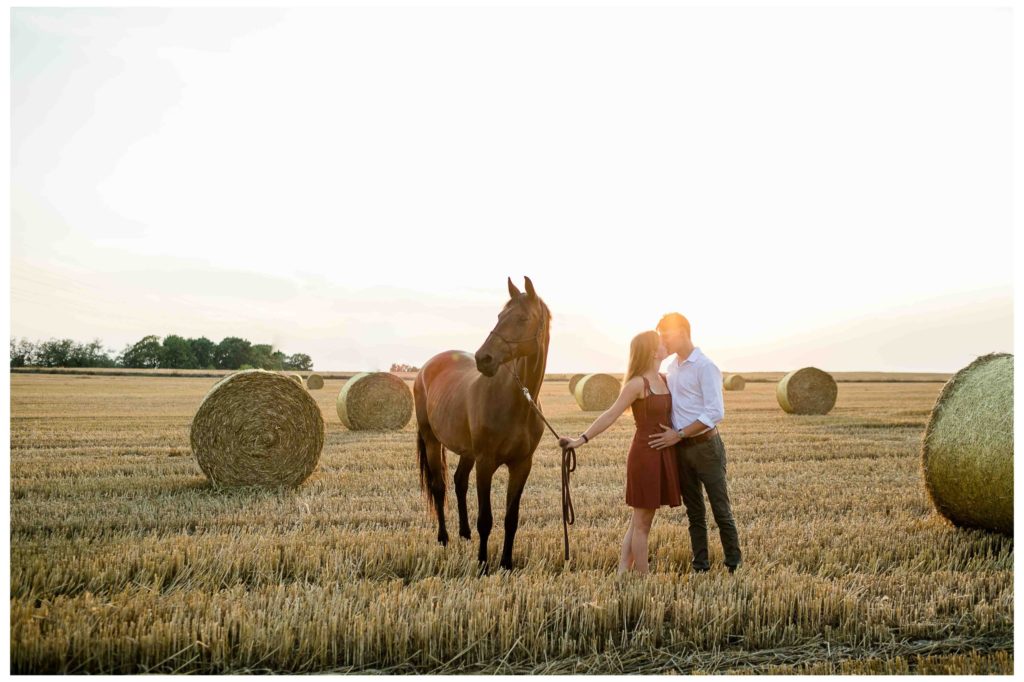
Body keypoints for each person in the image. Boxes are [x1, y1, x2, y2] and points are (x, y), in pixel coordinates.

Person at [559, 331, 681, 575]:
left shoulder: (665, 379)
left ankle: (623, 572)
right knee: (643, 523)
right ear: (650, 351)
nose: (665, 345)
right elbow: (611, 414)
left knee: (638, 520)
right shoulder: (637, 384)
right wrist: (581, 439)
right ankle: (643, 578)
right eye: (660, 343)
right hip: (645, 456)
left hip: (663, 455)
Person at [648, 312, 741, 573]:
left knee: (721, 510)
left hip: (706, 448)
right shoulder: (672, 369)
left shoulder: (705, 366)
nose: (663, 342)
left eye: (666, 335)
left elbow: (714, 413)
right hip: (681, 450)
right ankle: (701, 566)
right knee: (694, 513)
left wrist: (678, 434)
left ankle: (733, 564)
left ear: (681, 332)